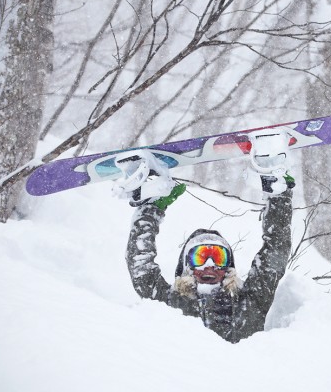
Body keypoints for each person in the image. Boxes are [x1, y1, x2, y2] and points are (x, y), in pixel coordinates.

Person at [118, 131, 295, 343]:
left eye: (217, 256)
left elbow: (276, 251)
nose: (209, 265)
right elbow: (141, 268)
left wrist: (278, 194)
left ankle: (270, 166)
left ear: (227, 266)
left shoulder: (250, 301)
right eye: (201, 256)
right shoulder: (170, 304)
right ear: (188, 265)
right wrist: (150, 209)